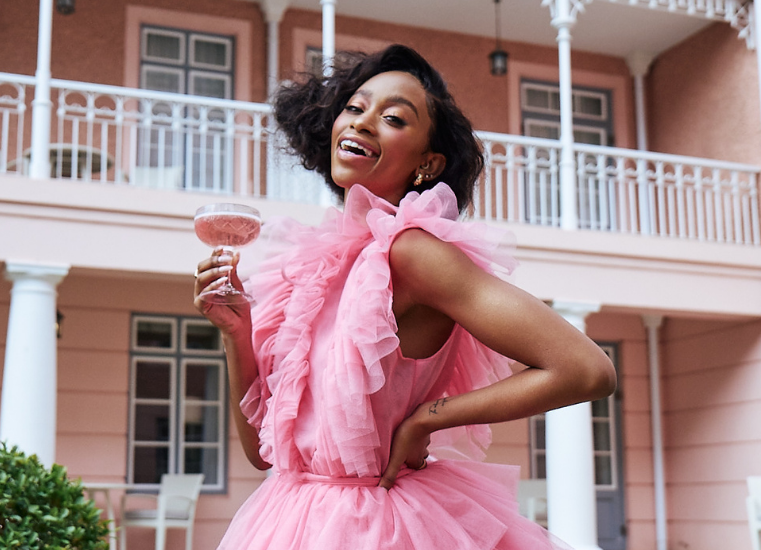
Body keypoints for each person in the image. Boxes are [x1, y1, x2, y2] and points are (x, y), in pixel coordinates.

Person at [194, 44, 616, 549]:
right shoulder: (317, 265)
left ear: (427, 162)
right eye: (354, 108)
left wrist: (428, 418)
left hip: (380, 528)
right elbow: (263, 453)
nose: (362, 122)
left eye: (393, 118)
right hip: (288, 519)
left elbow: (586, 370)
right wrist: (236, 332)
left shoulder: (412, 252)